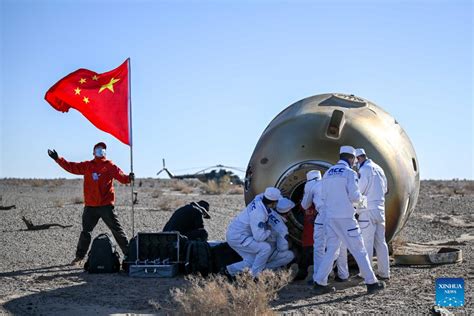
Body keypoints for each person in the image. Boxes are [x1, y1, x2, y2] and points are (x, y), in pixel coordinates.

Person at [312, 145, 385, 294]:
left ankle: (319, 282)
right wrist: (363, 201)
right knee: (360, 250)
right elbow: (355, 197)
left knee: (332, 250)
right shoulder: (349, 173)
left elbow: (324, 196)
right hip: (346, 219)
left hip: (331, 218)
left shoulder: (328, 173)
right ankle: (371, 282)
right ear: (351, 159)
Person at [47, 142, 134, 265]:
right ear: (93, 152)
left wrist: (129, 178)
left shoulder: (110, 165)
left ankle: (129, 255)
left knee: (116, 230)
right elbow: (71, 167)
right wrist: (58, 159)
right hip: (90, 206)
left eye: (103, 149)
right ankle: (79, 257)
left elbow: (122, 177)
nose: (101, 150)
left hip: (106, 206)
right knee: (86, 232)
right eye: (98, 149)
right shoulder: (87, 165)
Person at [301, 170, 349, 282]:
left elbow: (305, 205)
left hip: (323, 216)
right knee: (340, 245)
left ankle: (318, 276)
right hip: (339, 214)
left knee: (319, 247)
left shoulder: (311, 185)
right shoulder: (330, 181)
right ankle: (343, 274)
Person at [224, 187, 281, 278]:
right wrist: (269, 230)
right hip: (239, 237)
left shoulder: (259, 198)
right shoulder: (259, 214)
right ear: (273, 203)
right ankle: (255, 277)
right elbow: (259, 237)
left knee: (253, 260)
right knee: (265, 248)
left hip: (235, 233)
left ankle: (228, 271)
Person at [355, 148, 390, 280]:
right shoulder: (379, 169)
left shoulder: (364, 170)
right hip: (380, 211)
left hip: (367, 211)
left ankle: (365, 273)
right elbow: (386, 189)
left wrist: (356, 209)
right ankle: (384, 273)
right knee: (381, 243)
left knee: (366, 243)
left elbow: (359, 192)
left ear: (358, 159)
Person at [266, 198, 295, 270]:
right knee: (289, 255)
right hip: (267, 251)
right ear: (288, 212)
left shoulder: (268, 212)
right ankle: (264, 268)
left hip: (254, 246)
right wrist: (288, 243)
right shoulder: (282, 228)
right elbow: (282, 248)